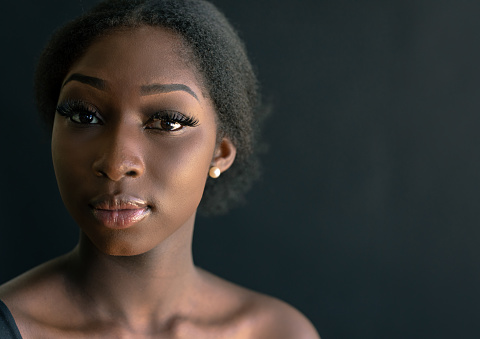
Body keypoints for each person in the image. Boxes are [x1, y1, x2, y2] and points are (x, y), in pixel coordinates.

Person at [0, 0, 320, 338]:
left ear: (221, 152)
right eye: (84, 116)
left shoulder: (279, 332)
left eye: (167, 122)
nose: (115, 163)